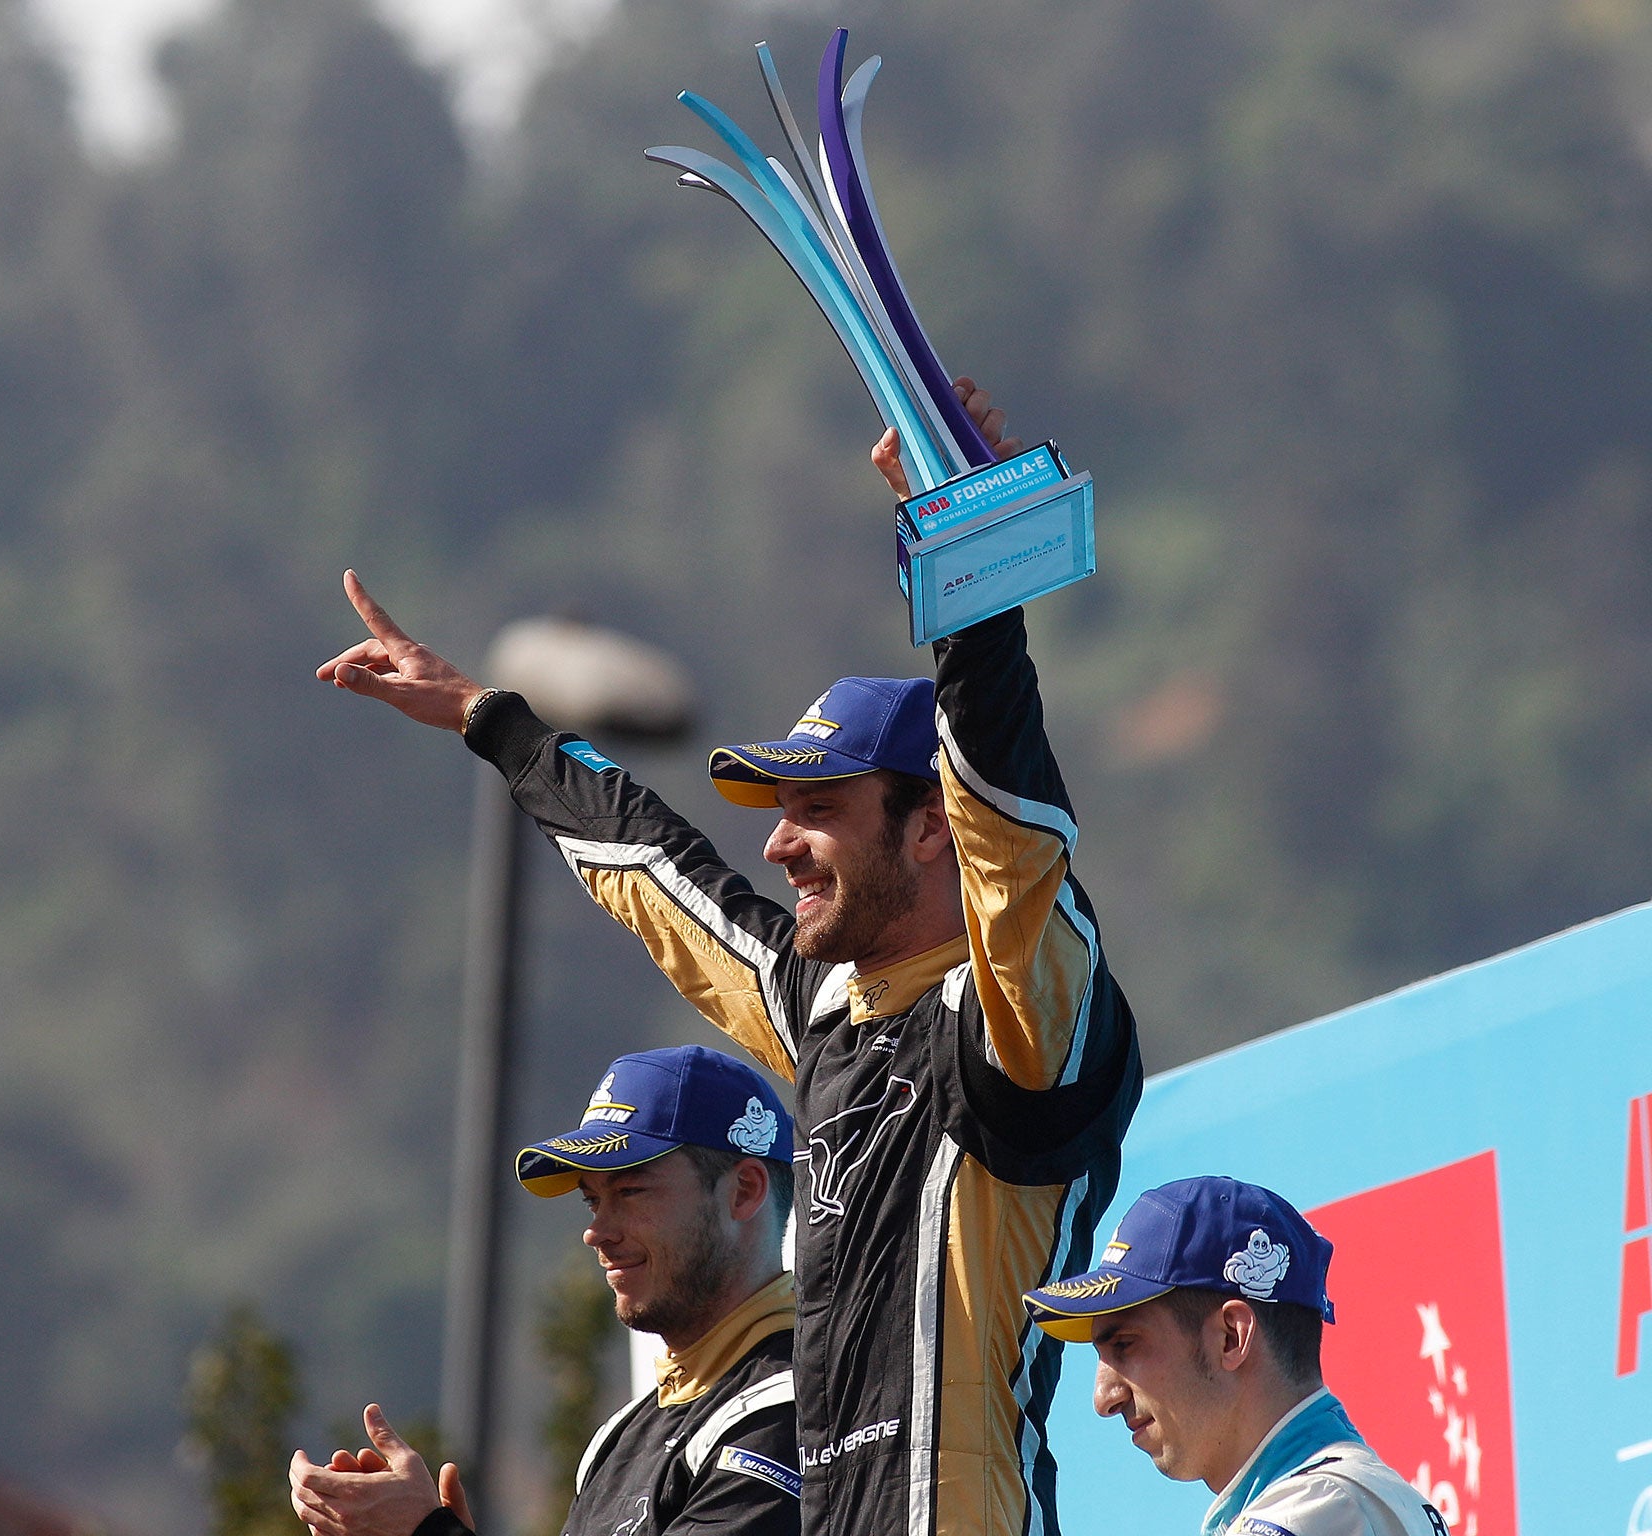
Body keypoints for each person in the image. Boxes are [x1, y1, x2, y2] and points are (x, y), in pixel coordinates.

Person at [315, 382, 1143, 1536]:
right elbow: (661, 876)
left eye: (816, 806)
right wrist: (488, 719)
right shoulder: (829, 1013)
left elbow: (1012, 830)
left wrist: (972, 579)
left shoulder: (1017, 1020)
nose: (777, 839)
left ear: (927, 828)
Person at [289, 1044, 802, 1536]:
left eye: (630, 1190)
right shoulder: (618, 1438)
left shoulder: (793, 1409)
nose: (597, 1232)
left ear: (745, 1190)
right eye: (592, 1201)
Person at [1021, 1176, 1452, 1535]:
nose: (1104, 1398)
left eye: (1125, 1345)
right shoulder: (1345, 1499)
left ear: (1231, 1337)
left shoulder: (1316, 1508)